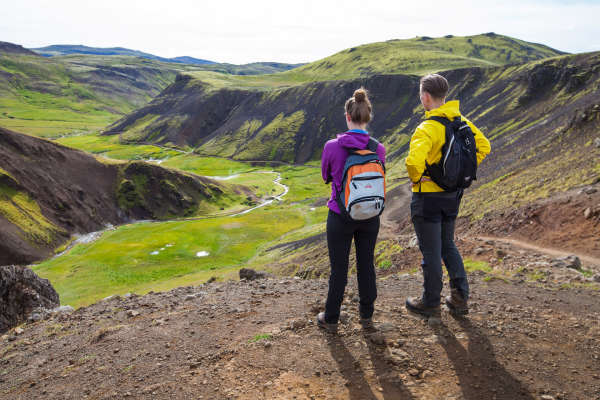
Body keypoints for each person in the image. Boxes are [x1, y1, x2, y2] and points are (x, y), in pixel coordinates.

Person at [405, 73, 491, 317]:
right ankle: (460, 297)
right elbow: (484, 145)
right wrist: (458, 174)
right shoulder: (461, 122)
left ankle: (430, 302)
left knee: (431, 252)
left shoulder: (427, 128)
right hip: (453, 196)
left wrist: (417, 177)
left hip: (428, 199)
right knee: (448, 245)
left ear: (425, 97)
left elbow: (413, 163)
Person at [318, 88, 386, 332]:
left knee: (339, 268)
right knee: (366, 264)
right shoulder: (379, 149)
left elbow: (326, 176)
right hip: (370, 216)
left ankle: (332, 319)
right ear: (368, 116)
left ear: (347, 116)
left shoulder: (332, 147)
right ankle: (367, 317)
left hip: (339, 215)